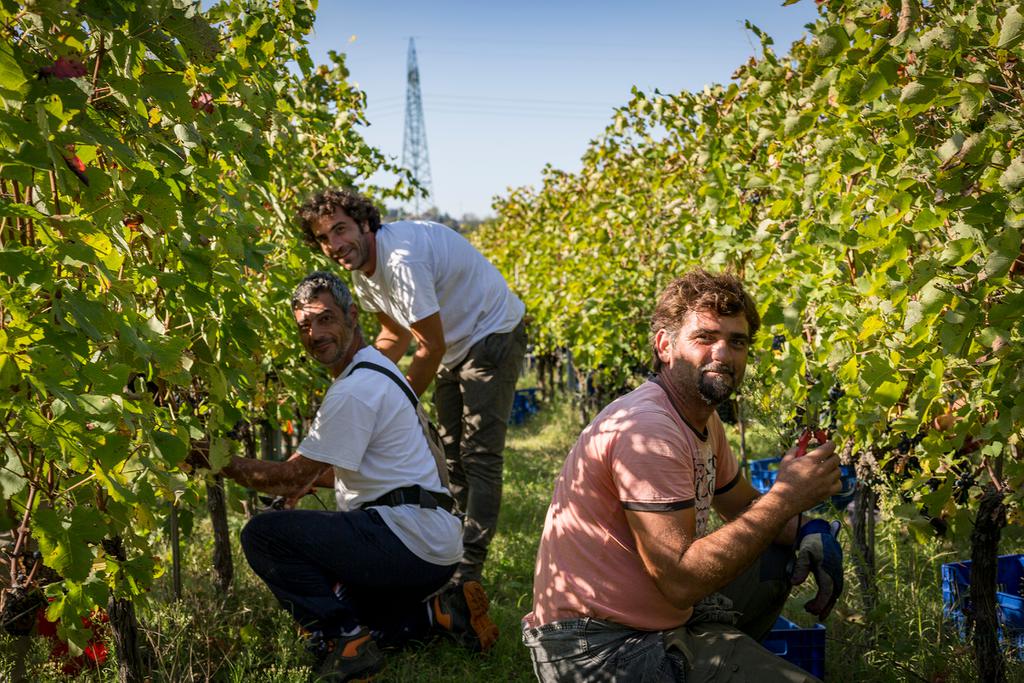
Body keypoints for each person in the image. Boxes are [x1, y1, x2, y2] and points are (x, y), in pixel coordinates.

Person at [522, 270, 844, 682]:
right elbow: (680, 581)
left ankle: (713, 649)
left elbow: (743, 505)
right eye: (705, 338)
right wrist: (785, 497)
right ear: (665, 346)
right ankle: (709, 655)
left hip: (646, 618)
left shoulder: (702, 421)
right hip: (596, 648)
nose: (723, 354)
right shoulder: (649, 429)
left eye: (737, 341)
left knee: (774, 548)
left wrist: (808, 527)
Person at [209, 272, 499, 682]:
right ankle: (439, 614)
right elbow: (371, 469)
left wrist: (214, 458)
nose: (315, 333)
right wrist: (311, 480)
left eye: (325, 319)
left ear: (351, 315)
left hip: (405, 540)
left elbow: (286, 480)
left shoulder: (353, 390)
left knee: (264, 535)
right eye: (304, 326)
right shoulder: (377, 367)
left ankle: (347, 643)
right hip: (430, 542)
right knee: (357, 615)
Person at [297, 188, 527, 585]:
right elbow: (395, 335)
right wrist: (361, 386)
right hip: (453, 345)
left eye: (340, 229)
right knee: (449, 454)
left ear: (365, 224)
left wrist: (389, 402)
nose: (334, 244)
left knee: (479, 455)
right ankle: (453, 549)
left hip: (491, 334)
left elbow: (429, 346)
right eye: (323, 238)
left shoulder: (400, 260)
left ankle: (468, 569)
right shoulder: (364, 275)